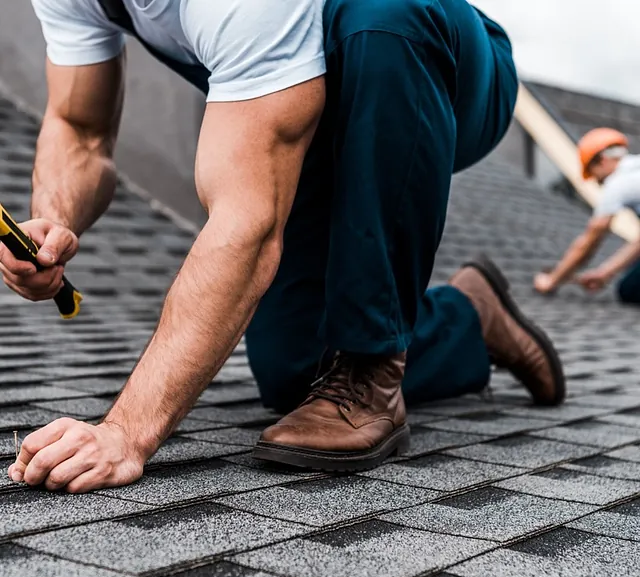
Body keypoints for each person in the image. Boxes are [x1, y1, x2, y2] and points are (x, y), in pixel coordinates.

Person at [3, 0, 565, 492]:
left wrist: (126, 432)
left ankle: (374, 370)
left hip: (439, 61)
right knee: (298, 369)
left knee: (385, 13)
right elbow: (79, 126)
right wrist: (52, 220)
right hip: (310, 96)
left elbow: (247, 224)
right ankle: (470, 315)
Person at [534, 128, 640, 301]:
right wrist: (605, 273)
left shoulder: (618, 181)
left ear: (603, 160)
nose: (597, 182)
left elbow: (589, 241)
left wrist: (551, 280)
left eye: (594, 174)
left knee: (630, 289)